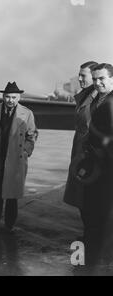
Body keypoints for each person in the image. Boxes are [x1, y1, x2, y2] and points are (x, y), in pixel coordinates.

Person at [0, 82, 37, 237]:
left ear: (19, 97)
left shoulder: (27, 113)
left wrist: (25, 151)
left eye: (13, 97)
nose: (10, 100)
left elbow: (32, 135)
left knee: (11, 196)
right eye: (7, 97)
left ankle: (10, 226)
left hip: (14, 160)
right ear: (3, 96)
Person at [79, 63, 113, 268]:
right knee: (94, 209)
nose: (97, 82)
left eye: (102, 78)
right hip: (95, 165)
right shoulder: (98, 100)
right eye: (95, 79)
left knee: (104, 211)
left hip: (108, 167)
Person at [64, 61, 98, 228]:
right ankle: (89, 234)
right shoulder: (85, 95)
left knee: (90, 199)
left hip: (90, 156)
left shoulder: (99, 99)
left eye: (83, 75)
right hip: (79, 153)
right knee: (82, 199)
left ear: (94, 77)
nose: (79, 78)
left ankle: (92, 237)